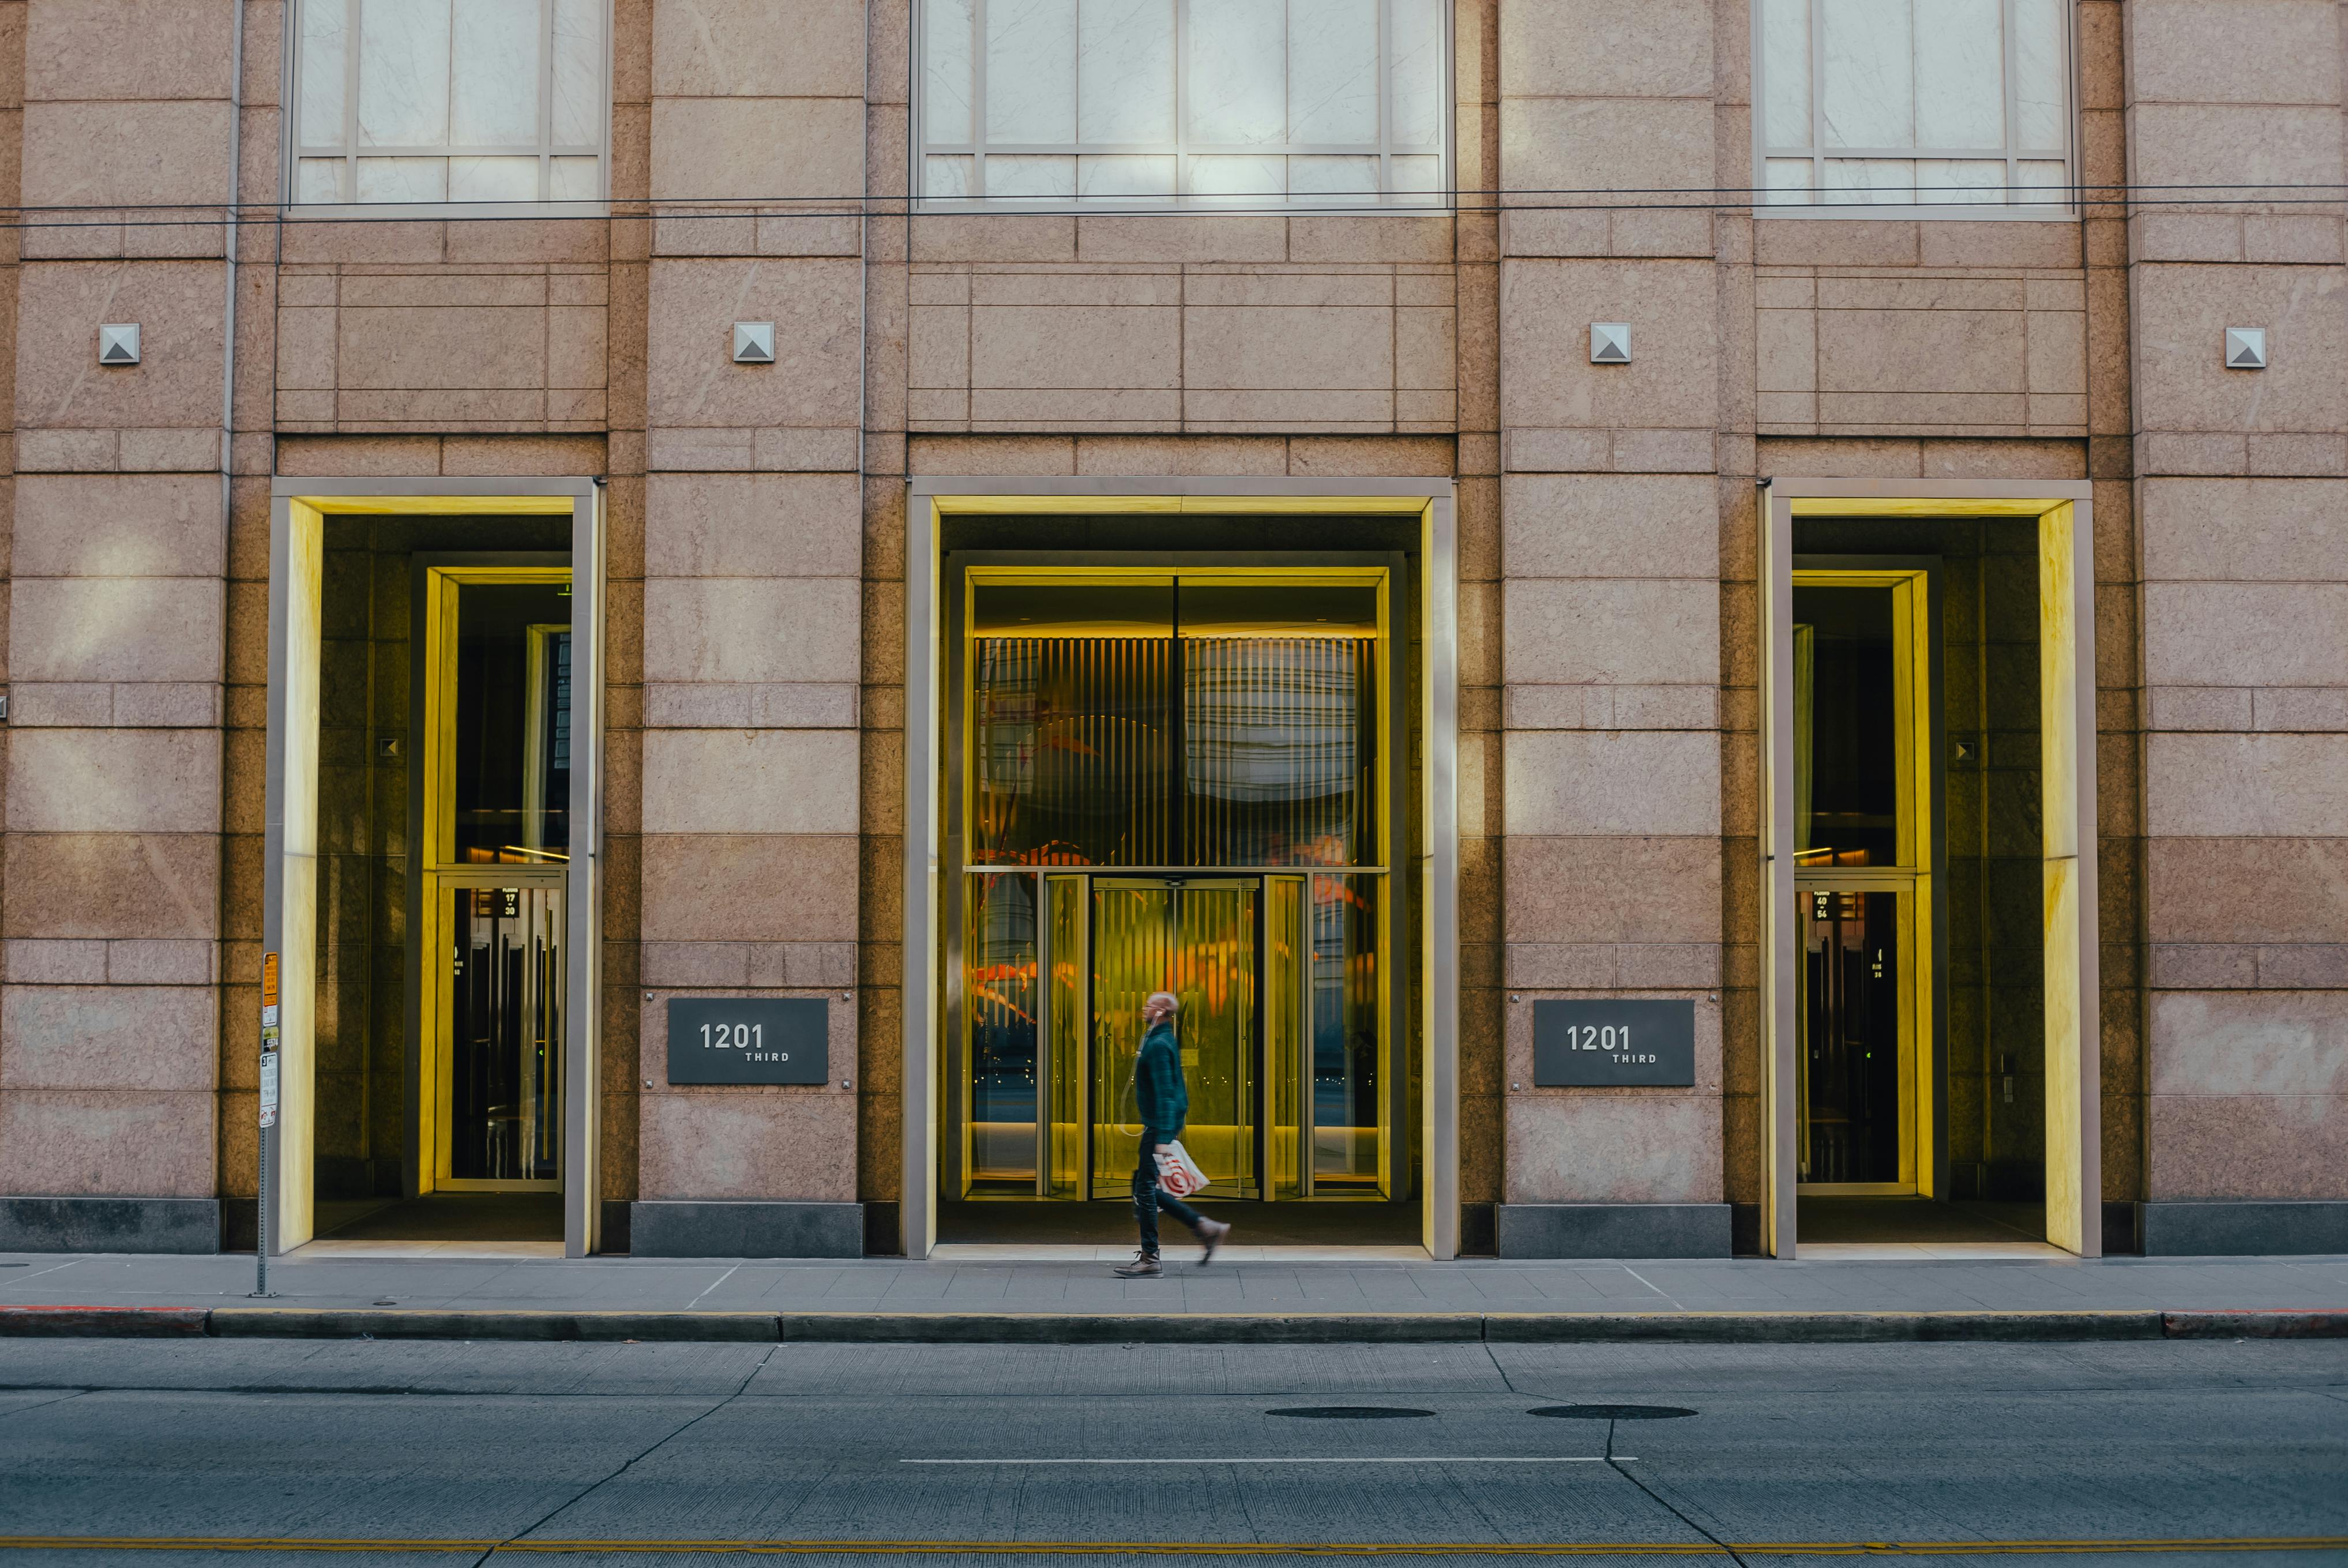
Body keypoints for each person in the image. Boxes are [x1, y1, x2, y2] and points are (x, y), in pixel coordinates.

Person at [1114, 991, 1232, 1277]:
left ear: (1163, 1011)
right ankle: (1204, 1227)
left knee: (1144, 1189)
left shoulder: (1159, 1045)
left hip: (1158, 1126)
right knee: (1144, 1186)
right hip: (1157, 1124)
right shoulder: (1157, 1040)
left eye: (1150, 1005)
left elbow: (1168, 1093)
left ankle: (1151, 1257)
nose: (1145, 1009)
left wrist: (1164, 1137)